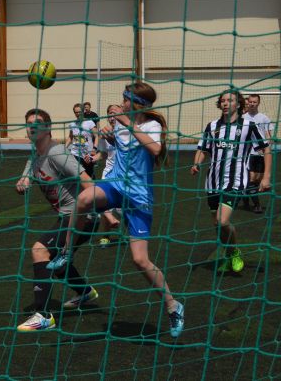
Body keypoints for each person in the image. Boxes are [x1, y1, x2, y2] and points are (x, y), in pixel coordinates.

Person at [48, 82, 185, 338]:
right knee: (83, 199)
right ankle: (66, 252)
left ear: (139, 104)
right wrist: (107, 136)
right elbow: (108, 148)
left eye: (126, 99)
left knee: (140, 260)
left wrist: (127, 124)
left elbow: (156, 149)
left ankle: (173, 305)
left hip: (139, 196)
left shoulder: (151, 126)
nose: (121, 103)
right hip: (116, 185)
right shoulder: (119, 123)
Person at [15, 108, 98, 332]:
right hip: (67, 217)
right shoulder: (35, 156)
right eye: (29, 123)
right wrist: (22, 183)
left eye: (38, 123)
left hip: (82, 218)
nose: (32, 127)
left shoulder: (57, 153)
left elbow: (88, 181)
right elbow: (25, 178)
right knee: (58, 263)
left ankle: (43, 316)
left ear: (48, 128)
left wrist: (104, 210)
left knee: (40, 250)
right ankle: (85, 292)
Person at [192, 91, 272, 274]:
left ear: (238, 104)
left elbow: (266, 149)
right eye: (223, 100)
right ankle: (229, 256)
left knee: (222, 221)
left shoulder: (248, 126)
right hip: (213, 182)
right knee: (217, 224)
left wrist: (266, 177)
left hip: (235, 180)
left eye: (230, 100)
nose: (226, 103)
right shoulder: (212, 126)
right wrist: (196, 163)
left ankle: (235, 252)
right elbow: (203, 148)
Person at [90, 105, 122, 246]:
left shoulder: (127, 131)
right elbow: (103, 154)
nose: (112, 117)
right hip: (108, 174)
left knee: (126, 209)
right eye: (109, 114)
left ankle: (133, 235)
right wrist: (92, 159)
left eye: (115, 114)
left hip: (124, 175)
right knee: (104, 205)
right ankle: (105, 236)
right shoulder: (104, 132)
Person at [242, 94, 272, 213]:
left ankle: (245, 197)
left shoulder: (264, 118)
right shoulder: (242, 118)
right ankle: (257, 205)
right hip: (248, 153)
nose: (252, 104)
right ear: (248, 103)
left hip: (261, 153)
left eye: (255, 102)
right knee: (251, 178)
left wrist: (265, 147)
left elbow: (268, 135)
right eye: (250, 102)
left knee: (257, 179)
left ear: (258, 103)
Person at [66, 103, 97, 178]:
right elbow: (70, 137)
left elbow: (97, 136)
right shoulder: (72, 124)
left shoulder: (90, 123)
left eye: (79, 112)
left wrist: (95, 148)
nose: (78, 114)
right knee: (77, 174)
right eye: (76, 112)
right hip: (75, 153)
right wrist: (64, 147)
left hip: (87, 154)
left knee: (89, 175)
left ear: (83, 112)